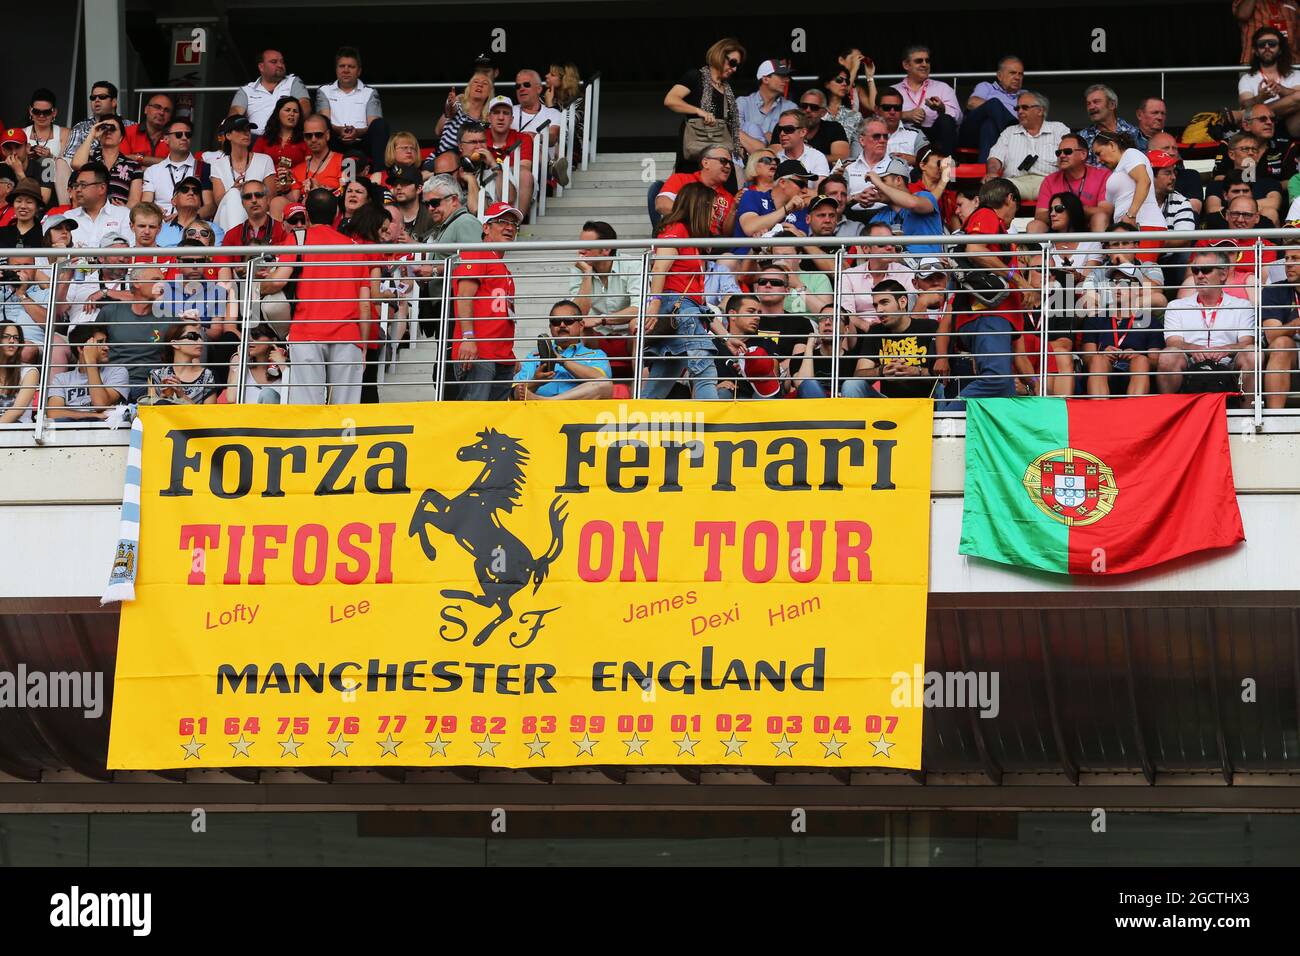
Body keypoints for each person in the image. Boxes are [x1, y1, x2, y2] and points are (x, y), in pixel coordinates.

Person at [264, 188, 378, 405]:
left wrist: (260, 287)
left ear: (307, 214)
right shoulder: (355, 249)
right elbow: (365, 305)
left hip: (307, 332)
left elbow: (278, 281)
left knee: (308, 407)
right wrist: (362, 345)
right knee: (346, 410)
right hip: (347, 335)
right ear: (336, 213)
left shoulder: (298, 240)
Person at [642, 182, 722, 399]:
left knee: (664, 376)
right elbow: (660, 266)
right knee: (704, 368)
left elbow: (700, 305)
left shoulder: (691, 236)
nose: (717, 214)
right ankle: (713, 428)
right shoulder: (677, 228)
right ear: (700, 206)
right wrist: (655, 302)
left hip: (685, 310)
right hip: (679, 308)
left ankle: (635, 424)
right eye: (714, 208)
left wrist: (725, 337)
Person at [450, 202, 522, 401]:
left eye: (514, 224)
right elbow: (464, 296)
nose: (509, 227)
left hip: (501, 355)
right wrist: (467, 338)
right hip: (479, 352)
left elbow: (500, 313)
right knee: (476, 417)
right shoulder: (477, 253)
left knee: (494, 421)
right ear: (486, 227)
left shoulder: (500, 265)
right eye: (502, 222)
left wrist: (509, 353)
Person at [1157, 251, 1257, 394]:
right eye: (1195, 270)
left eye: (1206, 270)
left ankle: (1248, 415)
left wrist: (1226, 349)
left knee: (1253, 353)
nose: (1199, 275)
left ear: (1223, 274)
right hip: (1191, 363)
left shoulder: (1243, 305)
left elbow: (1246, 342)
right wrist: (1193, 348)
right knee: (1168, 355)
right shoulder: (1176, 306)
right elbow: (1173, 342)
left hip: (1228, 364)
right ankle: (1171, 412)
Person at [664, 39, 744, 180]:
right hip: (695, 154)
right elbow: (670, 100)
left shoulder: (728, 89)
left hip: (720, 157)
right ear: (720, 56)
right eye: (732, 63)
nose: (734, 69)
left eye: (737, 65)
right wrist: (698, 111)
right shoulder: (695, 77)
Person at [570, 220, 642, 376]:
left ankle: (640, 392)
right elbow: (576, 314)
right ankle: (573, 387)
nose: (581, 252)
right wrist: (587, 275)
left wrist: (602, 319)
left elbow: (639, 308)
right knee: (575, 328)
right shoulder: (580, 268)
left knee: (638, 325)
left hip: (627, 337)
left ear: (606, 249)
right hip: (597, 337)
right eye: (580, 245)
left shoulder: (633, 265)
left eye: (587, 247)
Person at [96, 266, 173, 398]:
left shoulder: (171, 317)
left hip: (152, 386)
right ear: (137, 283)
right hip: (114, 384)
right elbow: (94, 348)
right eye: (156, 280)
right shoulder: (110, 312)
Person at [512, 301, 613, 400]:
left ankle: (552, 402)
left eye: (568, 321)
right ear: (550, 327)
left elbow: (601, 381)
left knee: (605, 384)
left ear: (581, 325)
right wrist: (536, 381)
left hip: (578, 411)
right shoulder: (534, 356)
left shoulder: (596, 355)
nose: (562, 325)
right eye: (556, 322)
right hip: (539, 411)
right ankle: (550, 403)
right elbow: (515, 393)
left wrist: (561, 360)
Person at [1080, 276, 1163, 396]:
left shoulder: (1150, 321)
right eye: (1114, 282)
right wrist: (1101, 354)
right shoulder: (1096, 318)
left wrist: (1136, 355)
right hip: (1103, 372)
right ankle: (1099, 411)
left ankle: (1133, 413)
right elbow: (1087, 359)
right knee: (1097, 360)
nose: (1117, 287)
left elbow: (1155, 362)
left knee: (1141, 361)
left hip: (1137, 373)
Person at [858, 280, 942, 398]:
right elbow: (859, 374)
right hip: (888, 403)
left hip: (927, 401)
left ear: (902, 302)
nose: (879, 310)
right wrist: (881, 371)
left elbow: (942, 372)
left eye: (884, 303)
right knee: (852, 385)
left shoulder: (929, 327)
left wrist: (916, 371)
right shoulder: (875, 332)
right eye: (876, 305)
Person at [984, 91, 1068, 202]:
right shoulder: (1009, 132)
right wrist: (992, 171)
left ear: (1040, 110)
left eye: (1024, 107)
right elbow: (995, 157)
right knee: (993, 189)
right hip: (1015, 183)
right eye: (1017, 108)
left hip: (1049, 181)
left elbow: (1070, 153)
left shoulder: (1058, 129)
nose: (1020, 111)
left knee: (1064, 191)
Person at [316, 46, 388, 169]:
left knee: (380, 124)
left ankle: (379, 173)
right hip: (335, 140)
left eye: (351, 66)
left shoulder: (369, 92)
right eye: (342, 66)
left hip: (362, 141)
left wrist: (356, 133)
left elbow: (373, 124)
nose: (346, 70)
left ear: (359, 71)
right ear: (336, 69)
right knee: (322, 124)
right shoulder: (324, 90)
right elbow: (323, 122)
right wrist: (340, 131)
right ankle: (321, 169)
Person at [1092, 131, 1163, 254]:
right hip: (1129, 229)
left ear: (1112, 145)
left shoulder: (1130, 154)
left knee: (1141, 271)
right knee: (1128, 272)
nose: (1098, 160)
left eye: (1099, 153)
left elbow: (1144, 181)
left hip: (1143, 225)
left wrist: (1131, 215)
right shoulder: (1119, 169)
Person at [45, 323, 128, 420]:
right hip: (71, 431)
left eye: (106, 342)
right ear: (81, 348)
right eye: (100, 342)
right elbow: (53, 413)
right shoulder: (61, 379)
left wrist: (91, 362)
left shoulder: (118, 372)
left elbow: (100, 404)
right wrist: (95, 415)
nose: (107, 347)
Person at [1032, 133, 1112, 232]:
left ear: (1083, 154)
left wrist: (1072, 209)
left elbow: (1105, 211)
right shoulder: (1050, 180)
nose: (1061, 155)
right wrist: (1066, 213)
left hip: (1089, 227)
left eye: (1067, 151)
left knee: (1100, 217)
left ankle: (1096, 247)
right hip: (1060, 230)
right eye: (1058, 153)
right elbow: (1040, 215)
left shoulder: (1103, 176)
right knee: (1034, 225)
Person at [863, 159, 944, 254]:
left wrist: (880, 184)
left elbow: (912, 203)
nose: (877, 187)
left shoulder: (923, 196)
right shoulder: (879, 217)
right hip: (893, 267)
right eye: (875, 183)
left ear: (898, 180)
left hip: (928, 266)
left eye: (882, 180)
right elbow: (863, 249)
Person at [791, 305, 873, 398]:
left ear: (846, 330)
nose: (827, 322)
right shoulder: (799, 359)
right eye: (822, 319)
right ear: (818, 328)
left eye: (835, 318)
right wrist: (809, 346)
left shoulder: (855, 361)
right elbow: (802, 385)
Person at [732, 159, 811, 254]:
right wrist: (786, 209)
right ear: (782, 182)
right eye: (801, 184)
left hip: (784, 263)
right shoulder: (752, 196)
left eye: (807, 185)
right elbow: (750, 227)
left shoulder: (801, 209)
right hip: (744, 262)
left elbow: (800, 238)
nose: (805, 190)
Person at [211, 115, 275, 231]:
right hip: (225, 218)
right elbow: (219, 202)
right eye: (240, 130)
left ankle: (237, 244)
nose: (246, 133)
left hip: (258, 215)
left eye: (248, 130)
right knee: (234, 195)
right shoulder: (217, 164)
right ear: (228, 135)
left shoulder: (265, 159)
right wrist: (233, 189)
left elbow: (270, 198)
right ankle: (238, 240)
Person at [140, 118, 214, 218]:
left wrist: (186, 218)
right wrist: (155, 210)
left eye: (188, 135)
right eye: (178, 134)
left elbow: (210, 206)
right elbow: (146, 203)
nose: (184, 138)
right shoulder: (152, 171)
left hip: (191, 228)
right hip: (159, 226)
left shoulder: (203, 168)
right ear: (166, 139)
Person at [1204, 132, 1285, 221]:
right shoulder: (1217, 184)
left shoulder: (1270, 182)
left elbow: (1274, 203)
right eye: (1245, 149)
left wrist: (1234, 209)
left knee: (1270, 213)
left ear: (1258, 156)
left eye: (1254, 150)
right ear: (1232, 154)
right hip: (1227, 230)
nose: (1251, 153)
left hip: (1259, 230)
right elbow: (1213, 210)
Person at [229, 49, 312, 136]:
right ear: (261, 67)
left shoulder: (293, 81)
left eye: (282, 62)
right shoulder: (246, 90)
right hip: (254, 139)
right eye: (274, 62)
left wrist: (291, 129)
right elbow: (235, 114)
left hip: (286, 137)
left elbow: (305, 106)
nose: (280, 65)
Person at [655, 146, 737, 233]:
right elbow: (662, 205)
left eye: (730, 164)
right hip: (682, 238)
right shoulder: (680, 179)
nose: (728, 166)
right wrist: (696, 220)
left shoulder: (730, 198)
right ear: (706, 163)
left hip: (714, 243)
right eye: (723, 161)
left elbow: (727, 233)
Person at [1237, 26, 1300, 137]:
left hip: (1290, 124)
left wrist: (1281, 90)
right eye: (1262, 44)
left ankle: (1239, 116)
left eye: (1272, 43)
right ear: (1256, 51)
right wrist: (1261, 98)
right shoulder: (1247, 78)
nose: (1267, 47)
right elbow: (1245, 104)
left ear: (1280, 49)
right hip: (1259, 126)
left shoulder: (1295, 74)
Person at [69, 115, 142, 207]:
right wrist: (92, 134)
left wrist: (124, 211)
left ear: (121, 137)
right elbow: (76, 164)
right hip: (90, 212)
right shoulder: (90, 160)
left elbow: (134, 200)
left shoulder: (133, 165)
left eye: (113, 129)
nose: (108, 132)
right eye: (104, 128)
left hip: (118, 216)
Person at [961, 55, 1024, 161]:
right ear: (999, 76)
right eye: (1012, 73)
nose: (1017, 77)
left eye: (1020, 74)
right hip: (972, 134)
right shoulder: (986, 87)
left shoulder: (1024, 95)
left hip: (995, 137)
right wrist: (998, 109)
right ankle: (1013, 133)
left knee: (989, 125)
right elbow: (972, 103)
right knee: (994, 103)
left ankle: (984, 171)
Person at [1261, 245, 1300, 407]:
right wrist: (1297, 323)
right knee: (1281, 344)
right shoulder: (1274, 290)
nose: (1288, 264)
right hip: (1292, 356)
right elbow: (1271, 334)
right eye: (1287, 259)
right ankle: (1274, 419)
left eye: (1295, 259)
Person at [144, 322, 219, 405]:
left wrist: (182, 396)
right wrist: (163, 397)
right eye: (192, 336)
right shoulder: (156, 375)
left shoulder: (207, 376)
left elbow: (209, 415)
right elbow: (151, 413)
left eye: (201, 338)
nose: (200, 341)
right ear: (175, 344)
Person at [485, 95, 535, 218]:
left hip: (515, 181)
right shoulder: (480, 137)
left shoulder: (523, 138)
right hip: (488, 179)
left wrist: (497, 166)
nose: (501, 117)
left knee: (525, 175)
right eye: (496, 113)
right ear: (489, 117)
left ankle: (516, 222)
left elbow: (524, 167)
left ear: (512, 119)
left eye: (505, 113)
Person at [892, 45, 962, 133]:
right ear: (906, 65)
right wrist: (905, 115)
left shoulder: (942, 87)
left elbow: (959, 119)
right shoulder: (893, 91)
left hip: (935, 137)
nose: (925, 64)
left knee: (945, 119)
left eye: (927, 61)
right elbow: (881, 117)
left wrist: (942, 109)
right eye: (919, 61)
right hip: (904, 137)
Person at [254, 96, 309, 209]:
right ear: (277, 113)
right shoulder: (263, 140)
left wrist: (289, 184)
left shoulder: (305, 141)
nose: (292, 114)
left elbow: (309, 169)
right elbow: (253, 166)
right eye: (287, 110)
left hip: (294, 191)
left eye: (295, 111)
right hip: (263, 190)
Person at [62, 82, 133, 163]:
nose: (96, 100)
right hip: (87, 172)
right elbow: (69, 158)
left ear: (114, 102)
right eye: (93, 97)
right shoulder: (80, 127)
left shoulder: (130, 126)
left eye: (102, 97)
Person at [737, 58, 797, 154]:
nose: (787, 80)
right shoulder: (742, 103)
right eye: (781, 76)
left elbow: (794, 143)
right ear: (765, 79)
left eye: (786, 76)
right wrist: (770, 139)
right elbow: (735, 135)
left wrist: (753, 138)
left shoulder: (791, 107)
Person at [64, 162, 130, 248]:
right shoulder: (68, 217)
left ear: (102, 188)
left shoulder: (123, 215)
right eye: (76, 185)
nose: (78, 190)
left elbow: (129, 251)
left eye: (83, 185)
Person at [1079, 85, 1147, 165]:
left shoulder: (1134, 133)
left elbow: (1143, 165)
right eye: (1088, 104)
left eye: (1096, 102)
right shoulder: (1082, 138)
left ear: (1112, 105)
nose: (1091, 107)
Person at [435, 68, 493, 160]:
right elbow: (451, 109)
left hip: (471, 164)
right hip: (443, 161)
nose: (480, 85)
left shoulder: (487, 119)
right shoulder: (459, 104)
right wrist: (450, 103)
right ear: (469, 88)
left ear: (489, 92)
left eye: (485, 84)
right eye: (476, 82)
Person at [226, 322, 289, 404]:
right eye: (247, 335)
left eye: (256, 335)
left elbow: (294, 399)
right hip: (248, 415)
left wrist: (282, 364)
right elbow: (231, 398)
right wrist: (241, 362)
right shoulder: (238, 360)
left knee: (268, 394)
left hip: (275, 416)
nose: (250, 339)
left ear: (272, 340)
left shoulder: (285, 365)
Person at [286, 114, 342, 205]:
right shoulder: (297, 170)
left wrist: (320, 189)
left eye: (318, 135)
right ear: (304, 138)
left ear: (327, 135)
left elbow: (349, 193)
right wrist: (285, 189)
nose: (313, 139)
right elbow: (294, 201)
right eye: (308, 136)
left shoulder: (347, 161)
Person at [821, 57, 871, 158]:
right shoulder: (814, 112)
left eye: (847, 81)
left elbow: (860, 149)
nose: (844, 84)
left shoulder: (855, 116)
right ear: (826, 84)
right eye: (839, 80)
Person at [792, 90, 849, 163]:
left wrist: (812, 157)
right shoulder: (786, 126)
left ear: (823, 112)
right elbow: (776, 154)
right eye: (804, 106)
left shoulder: (834, 128)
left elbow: (842, 157)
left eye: (814, 107)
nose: (808, 110)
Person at [1235, 1, 1300, 63]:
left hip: (1291, 63)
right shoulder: (1245, 2)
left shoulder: (1292, 3)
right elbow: (1242, 15)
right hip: (1254, 63)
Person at [876, 88, 926, 166]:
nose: (892, 112)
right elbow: (854, 162)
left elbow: (931, 161)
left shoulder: (915, 134)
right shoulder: (864, 134)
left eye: (897, 108)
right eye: (887, 107)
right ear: (876, 110)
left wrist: (915, 160)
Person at [120, 93, 173, 167]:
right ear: (146, 109)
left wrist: (137, 158)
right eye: (157, 107)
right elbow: (122, 163)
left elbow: (175, 164)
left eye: (166, 110)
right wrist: (162, 162)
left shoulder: (175, 136)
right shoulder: (128, 132)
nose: (161, 112)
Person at [773, 110, 830, 178]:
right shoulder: (774, 159)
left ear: (803, 132)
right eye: (779, 129)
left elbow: (819, 188)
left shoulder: (817, 157)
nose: (782, 134)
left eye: (788, 129)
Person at [0, 323, 38, 424]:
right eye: (6, 337)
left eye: (16, 338)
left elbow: (17, 411)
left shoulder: (29, 371)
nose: (12, 341)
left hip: (17, 431)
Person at [24, 88, 70, 170]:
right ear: (30, 111)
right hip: (27, 181)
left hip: (55, 181)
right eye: (36, 111)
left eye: (46, 112)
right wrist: (25, 156)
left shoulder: (64, 133)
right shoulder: (22, 133)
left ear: (54, 112)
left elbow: (70, 166)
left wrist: (51, 157)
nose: (41, 116)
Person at [0, 178, 45, 248]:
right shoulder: (2, 233)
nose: (23, 206)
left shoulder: (44, 235)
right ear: (13, 205)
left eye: (29, 202)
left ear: (37, 207)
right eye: (18, 201)